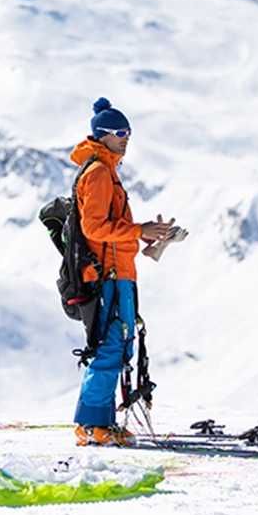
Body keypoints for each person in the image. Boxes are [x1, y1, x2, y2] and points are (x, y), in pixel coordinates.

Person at [69, 98, 174, 447]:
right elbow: (95, 228)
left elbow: (109, 233)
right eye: (119, 133)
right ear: (103, 135)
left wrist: (149, 238)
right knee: (111, 345)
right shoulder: (99, 173)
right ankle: (92, 426)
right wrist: (138, 230)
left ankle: (98, 422)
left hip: (120, 273)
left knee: (118, 345)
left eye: (128, 132)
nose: (126, 138)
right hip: (108, 277)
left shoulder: (107, 172)